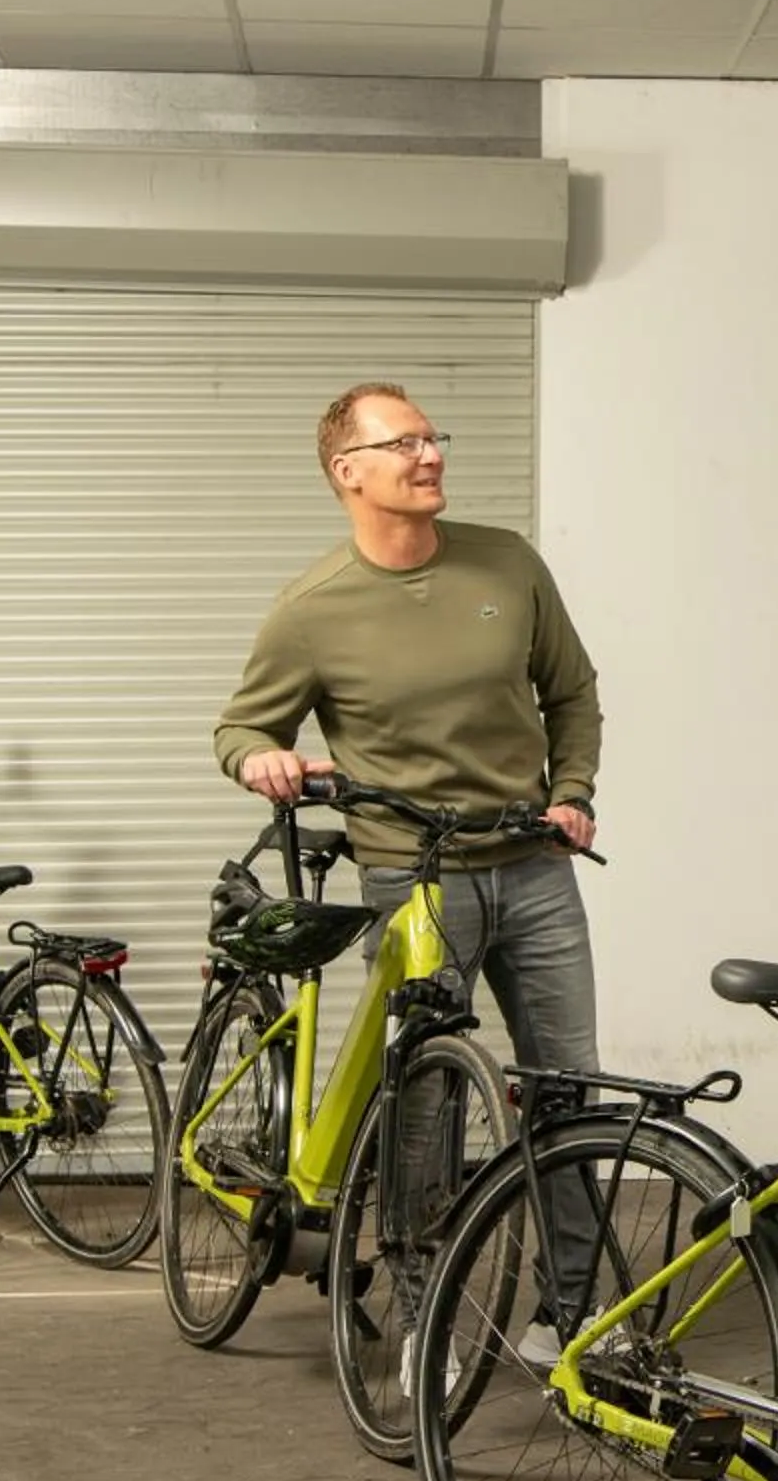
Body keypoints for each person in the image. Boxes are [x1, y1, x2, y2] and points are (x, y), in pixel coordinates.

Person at [212, 381, 602, 1365]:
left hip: (534, 866)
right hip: (411, 879)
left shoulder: (506, 562)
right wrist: (260, 758)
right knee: (424, 1101)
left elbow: (573, 690)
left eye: (432, 437)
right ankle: (422, 1290)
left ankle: (575, 1312)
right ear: (349, 472)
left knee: (569, 1091)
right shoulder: (313, 609)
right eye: (404, 443)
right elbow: (241, 724)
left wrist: (574, 788)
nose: (429, 455)